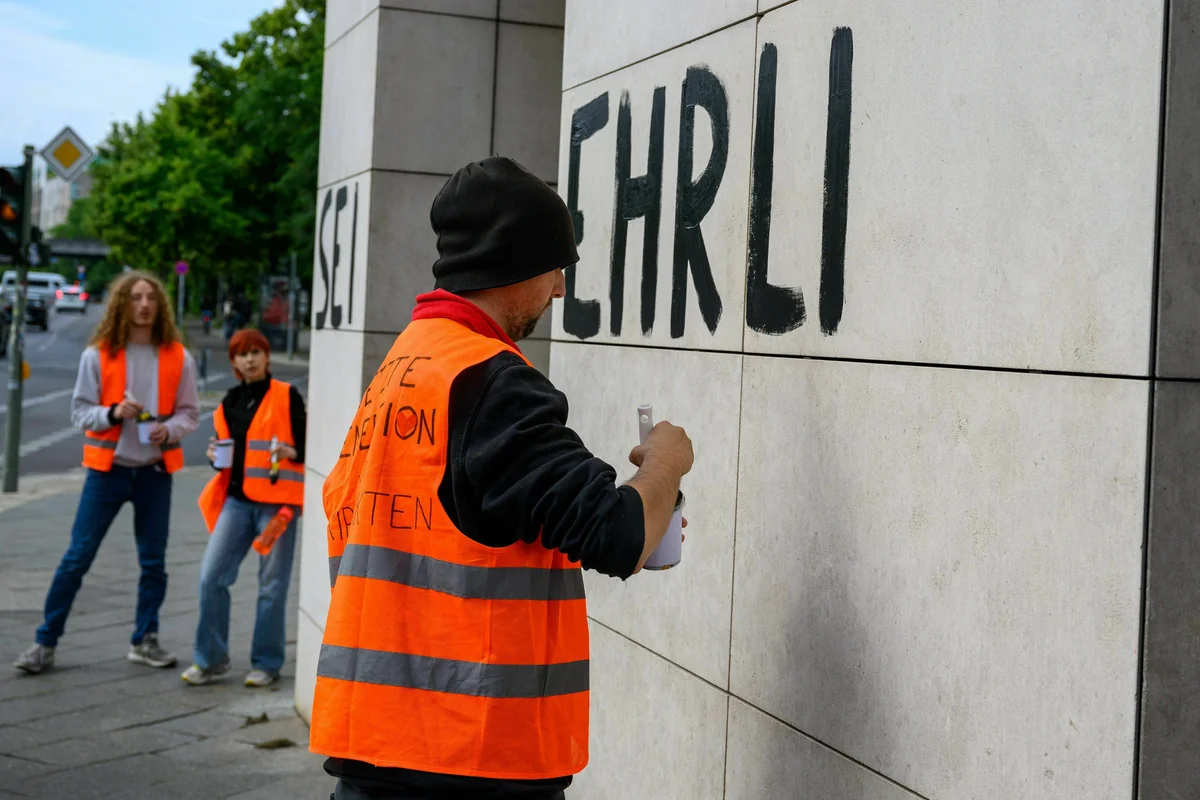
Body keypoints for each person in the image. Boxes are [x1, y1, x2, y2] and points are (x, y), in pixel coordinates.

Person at [309, 156, 694, 800]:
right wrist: (666, 463)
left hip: (378, 747)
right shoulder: (490, 381)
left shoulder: (406, 364)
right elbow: (619, 535)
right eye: (556, 268)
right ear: (514, 263)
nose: (560, 290)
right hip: (471, 756)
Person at [14, 271, 200, 675]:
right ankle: (45, 642)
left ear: (160, 305)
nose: (144, 305)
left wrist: (170, 429)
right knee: (77, 557)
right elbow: (80, 412)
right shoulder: (97, 355)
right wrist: (113, 413)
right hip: (107, 472)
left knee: (154, 562)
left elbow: (190, 413)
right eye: (135, 297)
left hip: (154, 473)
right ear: (121, 304)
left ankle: (145, 639)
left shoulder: (178, 357)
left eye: (151, 298)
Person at [183, 329, 306, 688]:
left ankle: (266, 663)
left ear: (267, 357)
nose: (250, 359)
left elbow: (307, 445)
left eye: (256, 352)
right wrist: (214, 457)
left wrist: (292, 451)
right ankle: (211, 660)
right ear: (234, 362)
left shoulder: (287, 395)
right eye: (242, 354)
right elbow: (229, 455)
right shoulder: (229, 401)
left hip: (277, 507)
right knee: (211, 577)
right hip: (237, 503)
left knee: (272, 585)